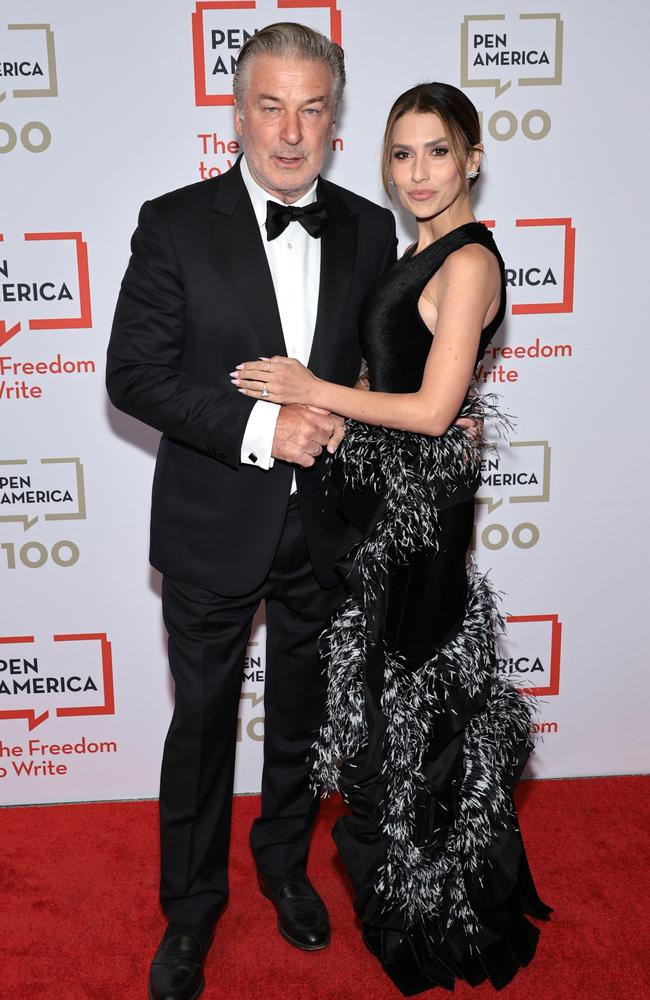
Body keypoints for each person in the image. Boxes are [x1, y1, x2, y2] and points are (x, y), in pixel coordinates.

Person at [233, 82, 551, 994]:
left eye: (438, 152)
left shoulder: (470, 264)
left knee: (410, 714)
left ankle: (438, 911)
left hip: (421, 522)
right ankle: (414, 897)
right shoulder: (417, 250)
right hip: (385, 506)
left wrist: (314, 389)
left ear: (473, 161)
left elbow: (435, 407)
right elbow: (401, 383)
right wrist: (342, 422)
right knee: (387, 713)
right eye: (402, 154)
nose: (417, 172)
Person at [106, 22, 399, 1000]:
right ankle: (189, 913)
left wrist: (365, 411)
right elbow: (133, 375)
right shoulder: (173, 222)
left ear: (334, 119)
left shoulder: (366, 226)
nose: (288, 131)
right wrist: (259, 426)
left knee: (301, 716)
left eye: (310, 108)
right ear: (235, 114)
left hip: (323, 527)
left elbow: (371, 373)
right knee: (201, 724)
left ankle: (282, 864)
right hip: (209, 521)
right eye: (269, 106)